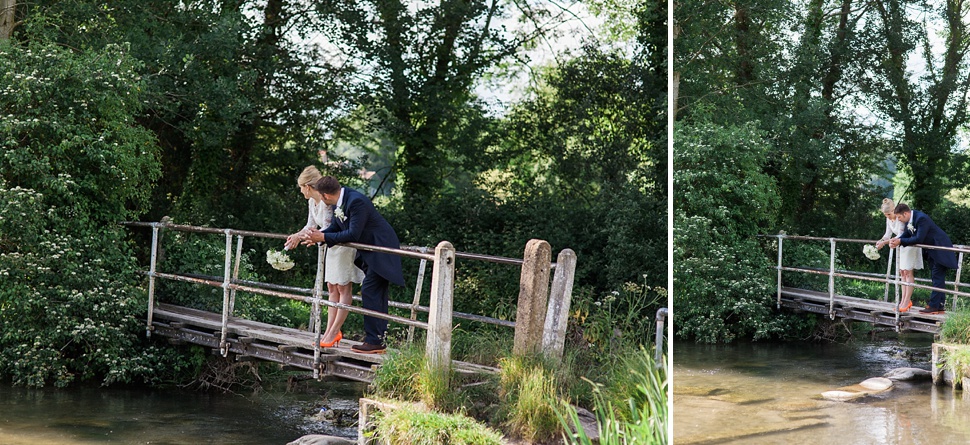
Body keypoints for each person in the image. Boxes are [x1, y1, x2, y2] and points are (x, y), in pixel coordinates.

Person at [303, 176, 405, 354]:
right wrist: (318, 237)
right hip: (371, 251)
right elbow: (336, 227)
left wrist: (324, 237)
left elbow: (353, 233)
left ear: (325, 195)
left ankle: (375, 341)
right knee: (374, 291)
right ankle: (377, 341)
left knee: (370, 290)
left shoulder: (356, 201)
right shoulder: (340, 200)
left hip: (382, 248)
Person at [285, 166, 364, 348]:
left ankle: (334, 331)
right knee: (331, 287)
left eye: (301, 187)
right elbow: (310, 225)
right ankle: (329, 331)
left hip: (341, 245)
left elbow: (328, 228)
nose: (300, 191)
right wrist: (297, 235)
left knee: (343, 287)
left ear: (307, 186)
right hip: (329, 247)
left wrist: (308, 236)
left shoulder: (326, 201)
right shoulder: (312, 202)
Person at [889, 203, 959, 314]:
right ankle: (940, 306)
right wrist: (897, 240)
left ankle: (934, 306)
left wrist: (900, 241)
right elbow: (908, 233)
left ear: (905, 213)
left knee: (937, 277)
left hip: (940, 248)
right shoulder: (911, 218)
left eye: (899, 217)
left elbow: (919, 238)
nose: (899, 220)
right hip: (933, 251)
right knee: (937, 277)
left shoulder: (921, 218)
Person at [874, 198, 922, 312]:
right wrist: (881, 240)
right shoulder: (888, 220)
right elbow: (887, 234)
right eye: (885, 215)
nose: (888, 217)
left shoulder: (900, 219)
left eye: (889, 214)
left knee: (908, 271)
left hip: (908, 243)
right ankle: (903, 300)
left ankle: (907, 300)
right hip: (900, 246)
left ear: (893, 211)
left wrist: (884, 243)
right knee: (902, 272)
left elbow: (900, 235)